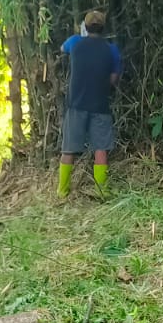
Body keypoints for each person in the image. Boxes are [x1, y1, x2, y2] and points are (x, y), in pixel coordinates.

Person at [58, 10, 123, 198]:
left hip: (76, 104)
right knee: (100, 149)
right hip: (100, 105)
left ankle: (62, 191)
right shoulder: (112, 50)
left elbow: (62, 49)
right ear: (104, 29)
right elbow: (113, 79)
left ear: (84, 27)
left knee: (68, 147)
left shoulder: (75, 42)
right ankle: (102, 190)